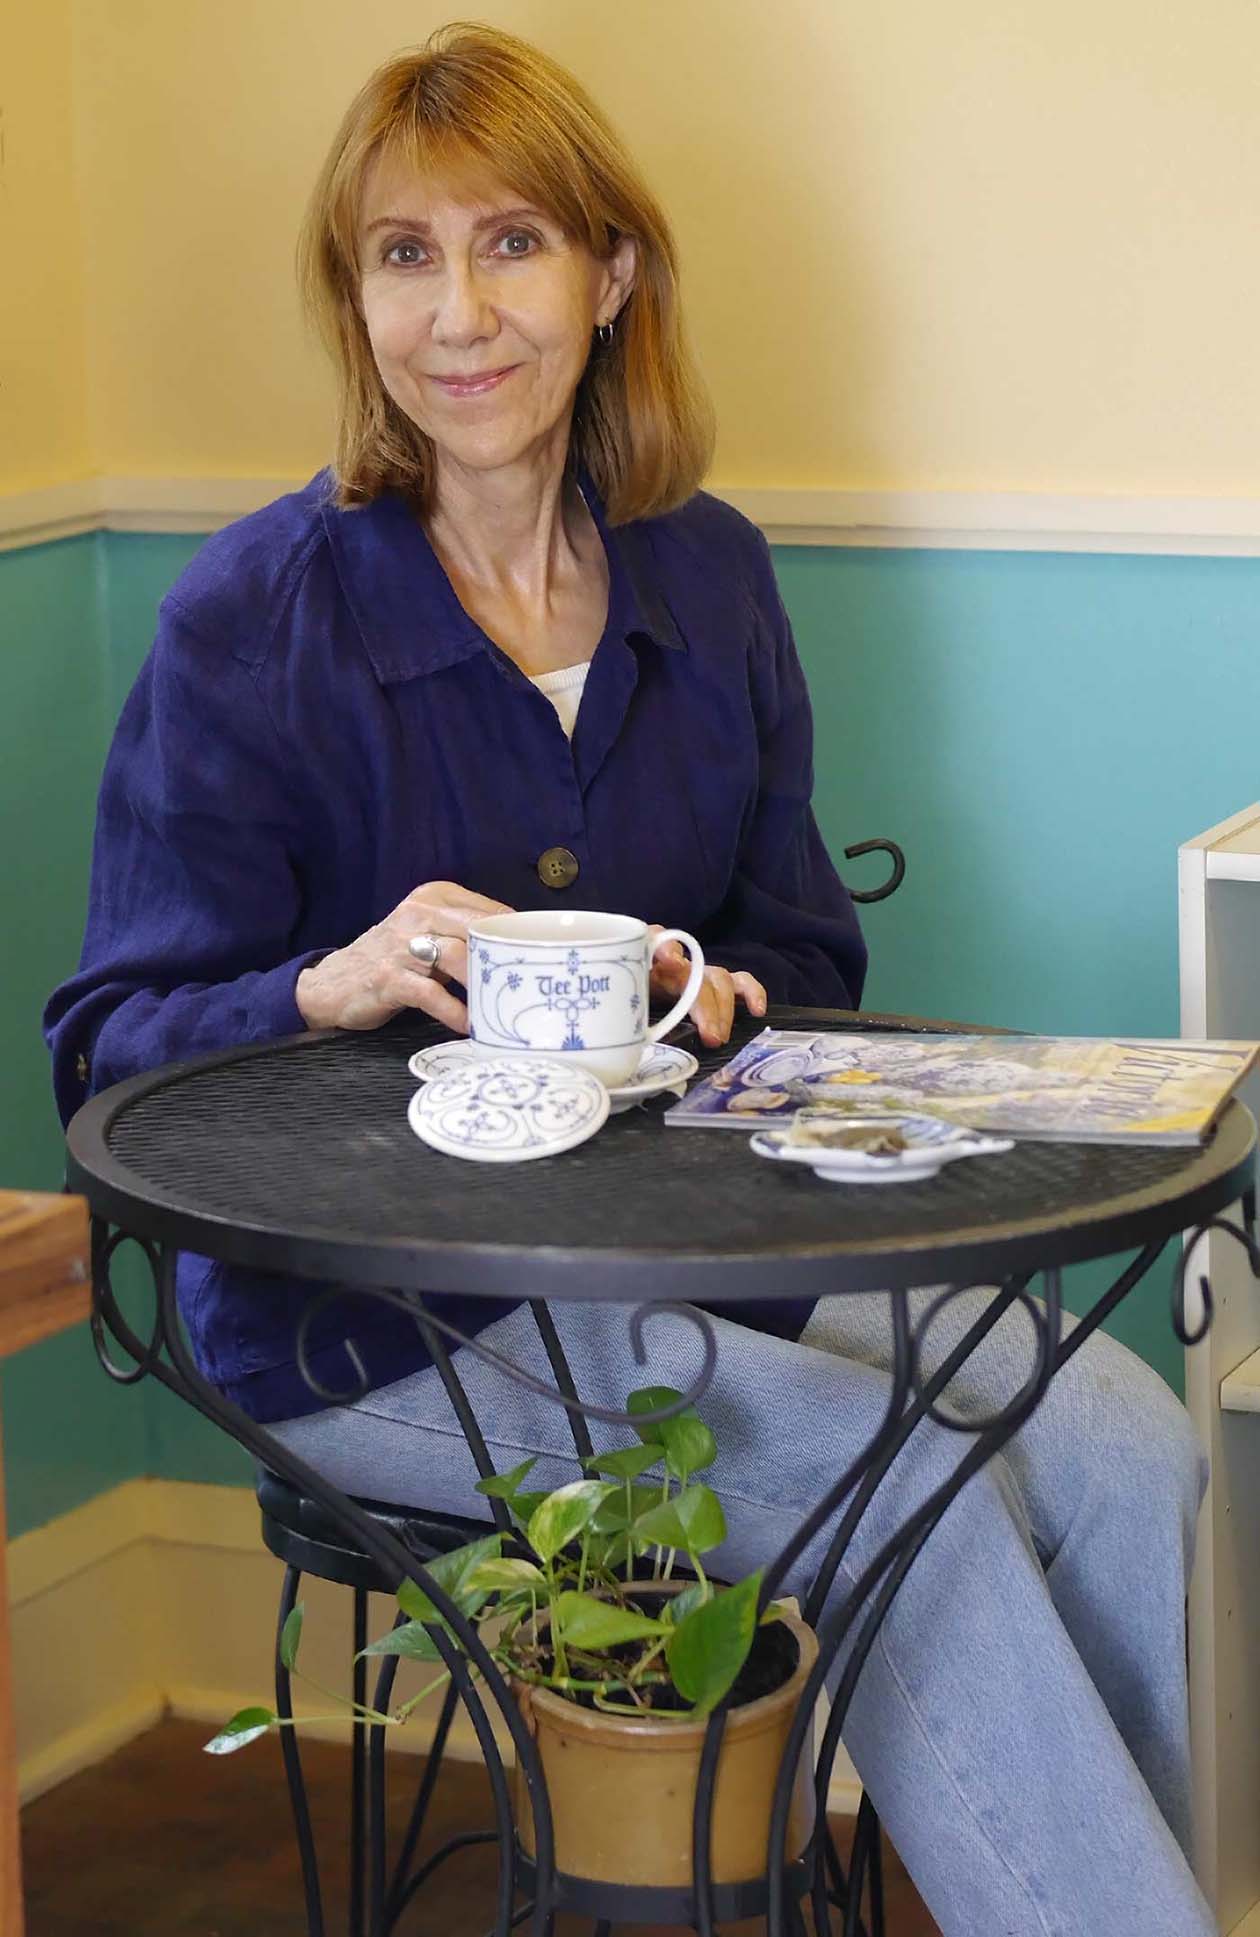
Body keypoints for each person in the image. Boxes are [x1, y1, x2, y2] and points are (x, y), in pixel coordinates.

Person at [44, 25, 1214, 1934]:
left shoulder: (710, 576)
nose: (460, 314)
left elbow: (804, 952)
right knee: (904, 1511)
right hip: (374, 1329)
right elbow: (102, 1055)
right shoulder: (253, 621)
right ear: (353, 298)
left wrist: (724, 988)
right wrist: (326, 984)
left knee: (1125, 1445)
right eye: (403, 255)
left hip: (711, 1263)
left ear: (615, 275)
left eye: (513, 243)